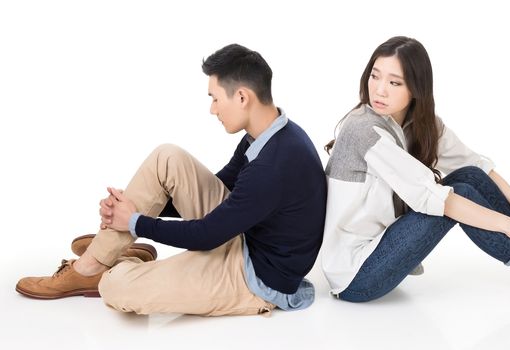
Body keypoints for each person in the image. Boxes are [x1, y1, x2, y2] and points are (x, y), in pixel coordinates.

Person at [16, 43, 327, 317]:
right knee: (168, 157)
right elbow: (225, 191)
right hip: (244, 236)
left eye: (216, 99)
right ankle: (93, 264)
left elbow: (207, 234)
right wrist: (137, 209)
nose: (212, 109)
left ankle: (109, 264)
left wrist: (136, 221)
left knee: (116, 288)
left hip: (255, 279)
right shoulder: (266, 135)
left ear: (242, 96)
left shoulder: (273, 166)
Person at [321, 36, 510, 307]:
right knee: (456, 195)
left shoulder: (419, 123)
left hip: (380, 249)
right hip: (356, 275)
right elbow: (434, 199)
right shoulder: (363, 130)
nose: (380, 89)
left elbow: (474, 163)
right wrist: (504, 224)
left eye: (395, 82)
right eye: (375, 75)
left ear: (416, 89)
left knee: (470, 177)